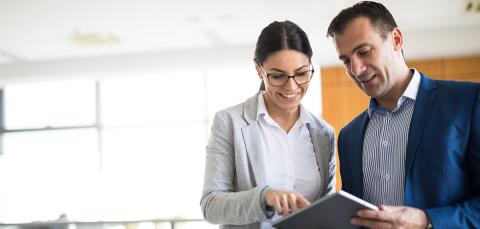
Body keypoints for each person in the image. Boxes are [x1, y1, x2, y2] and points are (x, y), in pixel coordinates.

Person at [326, 1, 480, 228]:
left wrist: (427, 221)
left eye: (364, 52)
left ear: (396, 40)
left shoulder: (467, 102)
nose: (355, 70)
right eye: (346, 60)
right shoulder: (348, 136)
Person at [200, 20, 336, 229]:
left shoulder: (324, 134)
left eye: (301, 73)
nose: (291, 86)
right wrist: (264, 198)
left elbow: (324, 206)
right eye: (278, 76)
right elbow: (211, 205)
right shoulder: (230, 123)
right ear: (259, 69)